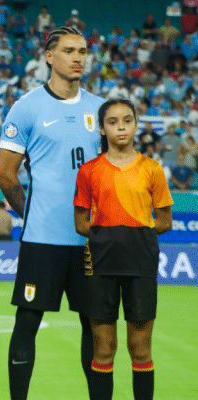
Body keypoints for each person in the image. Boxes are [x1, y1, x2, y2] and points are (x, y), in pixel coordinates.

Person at [0, 26, 103, 400]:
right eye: (69, 50)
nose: (78, 58)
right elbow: (5, 174)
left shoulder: (100, 109)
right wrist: (32, 213)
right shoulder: (27, 107)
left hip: (90, 239)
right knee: (27, 322)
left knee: (96, 327)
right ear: (49, 56)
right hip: (43, 237)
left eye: (83, 51)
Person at [74, 98, 172, 400]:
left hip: (141, 263)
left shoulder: (152, 169)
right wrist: (109, 236)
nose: (121, 127)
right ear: (102, 128)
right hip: (100, 265)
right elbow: (80, 223)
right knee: (104, 349)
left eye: (127, 121)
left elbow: (165, 220)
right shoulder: (89, 171)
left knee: (140, 349)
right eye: (113, 122)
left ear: (136, 125)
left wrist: (134, 236)